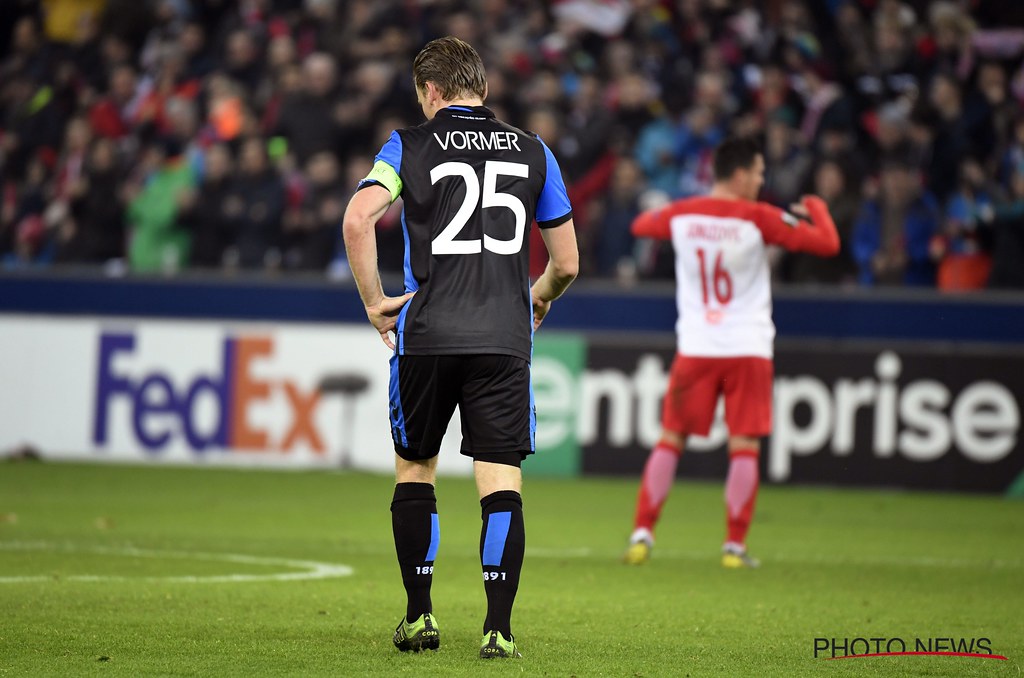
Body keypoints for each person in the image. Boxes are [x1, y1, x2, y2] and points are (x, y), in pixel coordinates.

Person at [341, 36, 578, 659]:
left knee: (416, 467)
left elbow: (357, 219)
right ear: (484, 88)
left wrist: (373, 301)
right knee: (500, 481)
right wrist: (538, 295)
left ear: (432, 91)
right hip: (503, 337)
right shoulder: (536, 152)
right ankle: (498, 630)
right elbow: (568, 262)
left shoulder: (407, 145)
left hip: (426, 335)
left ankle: (419, 619)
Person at [623, 137, 839, 568]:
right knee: (744, 447)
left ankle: (642, 534)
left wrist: (674, 214)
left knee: (671, 439)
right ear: (739, 175)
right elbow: (828, 245)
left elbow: (642, 225)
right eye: (759, 173)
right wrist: (815, 207)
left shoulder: (683, 214)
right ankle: (734, 548)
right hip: (748, 347)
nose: (762, 180)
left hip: (697, 345)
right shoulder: (760, 217)